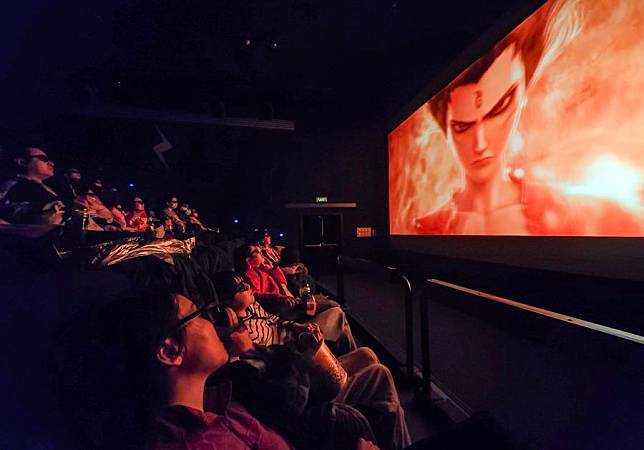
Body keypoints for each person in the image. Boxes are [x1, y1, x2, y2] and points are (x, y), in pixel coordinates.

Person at [413, 0, 641, 236]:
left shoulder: (581, 214)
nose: (480, 144)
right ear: (446, 130)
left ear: (523, 96)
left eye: (499, 108)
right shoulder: (426, 227)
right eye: (463, 126)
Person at [213, 273, 410, 450]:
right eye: (241, 288)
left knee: (366, 354)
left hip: (299, 361)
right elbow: (290, 394)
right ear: (227, 303)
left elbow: (276, 321)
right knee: (379, 372)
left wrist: (297, 328)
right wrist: (302, 350)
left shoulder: (253, 309)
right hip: (309, 387)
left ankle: (371, 408)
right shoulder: (241, 350)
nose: (248, 287)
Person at [0, 146, 64, 224]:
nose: (52, 163)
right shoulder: (13, 185)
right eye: (43, 159)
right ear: (22, 162)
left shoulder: (46, 187)